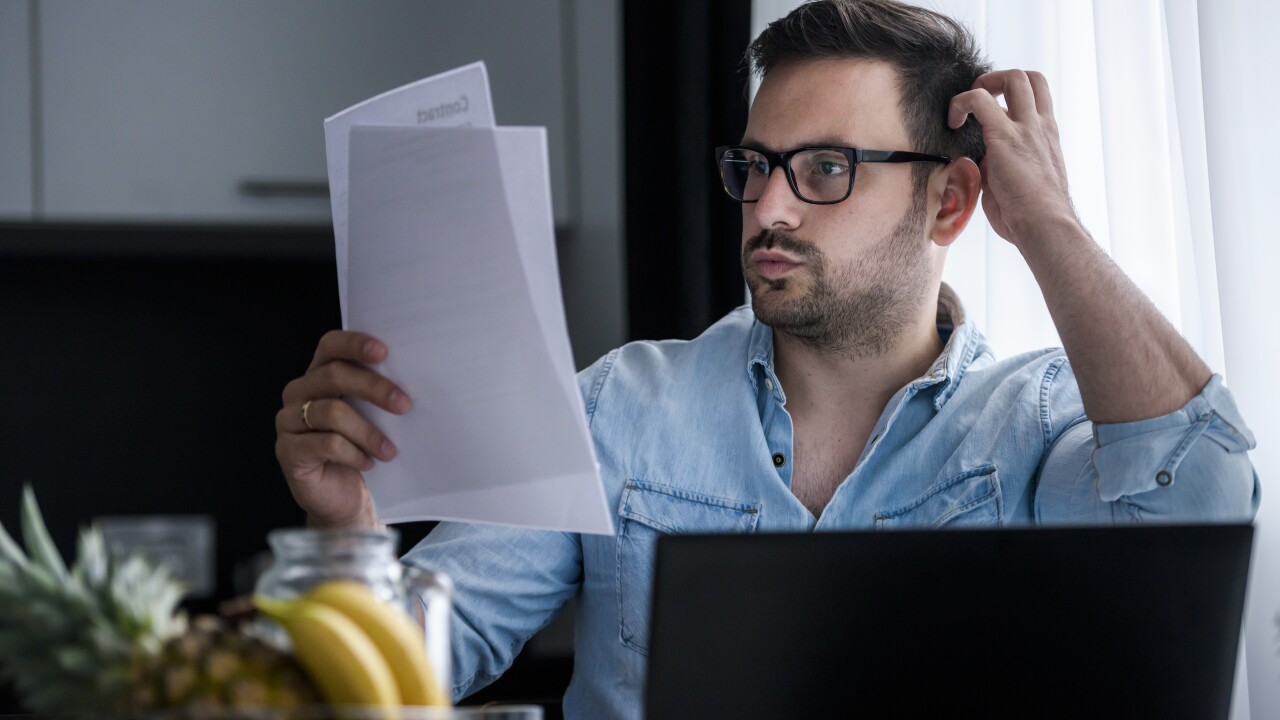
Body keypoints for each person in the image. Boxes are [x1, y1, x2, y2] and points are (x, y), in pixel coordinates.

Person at [274, 1, 1259, 717]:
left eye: (825, 168)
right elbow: (400, 673)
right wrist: (349, 535)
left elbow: (1200, 507)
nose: (768, 209)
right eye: (755, 166)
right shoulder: (617, 407)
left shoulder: (1036, 424)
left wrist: (1046, 223)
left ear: (951, 202)